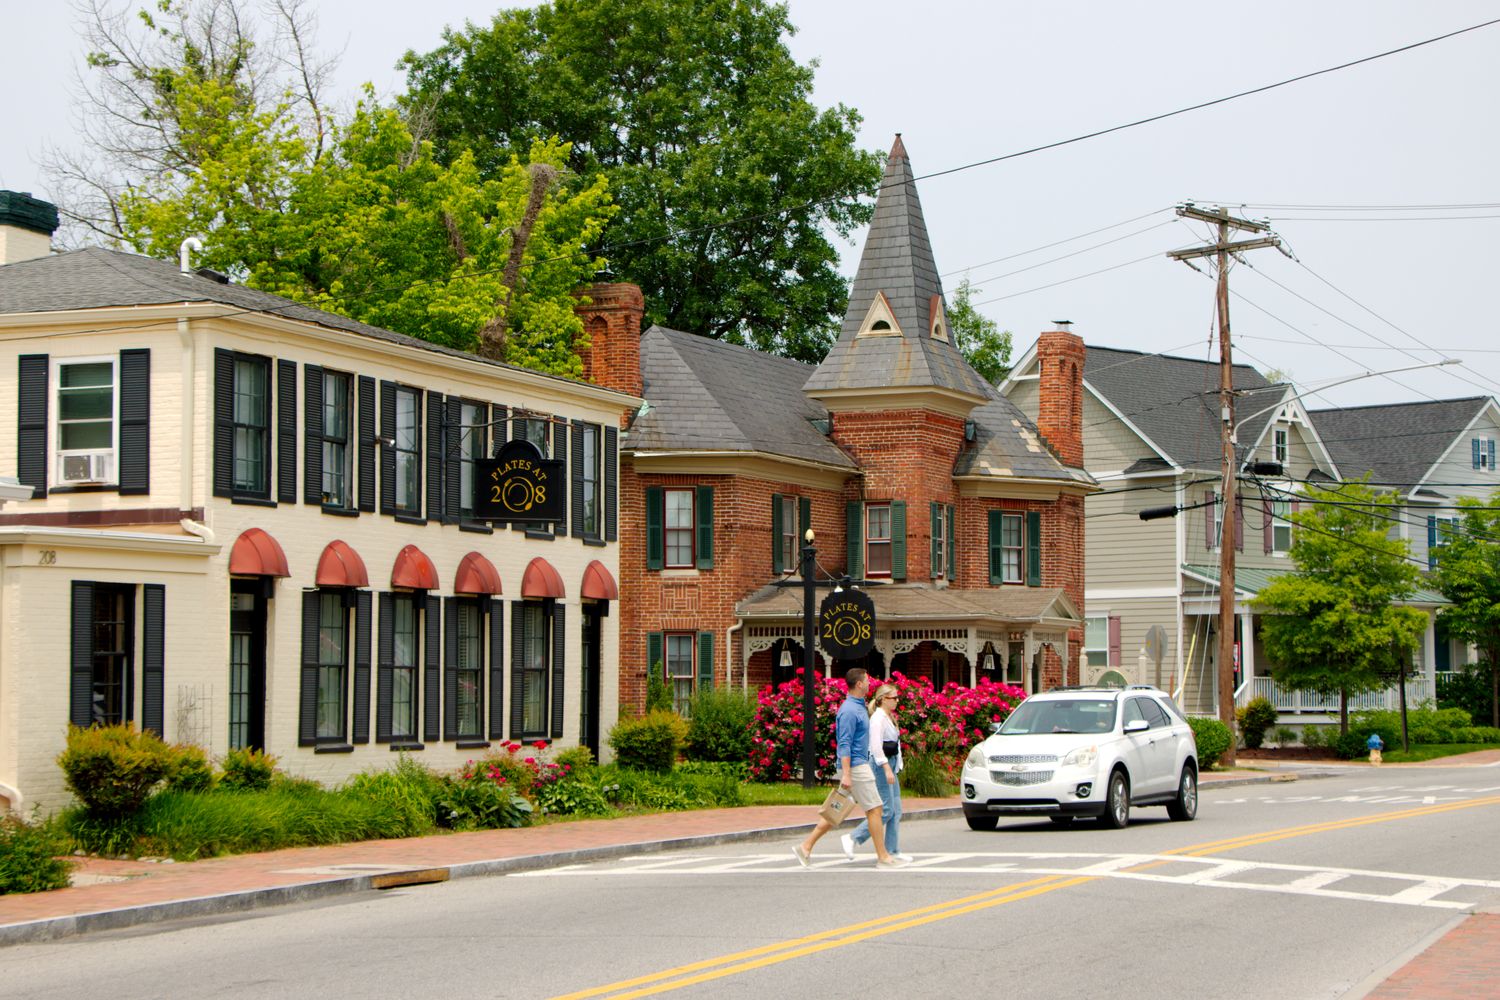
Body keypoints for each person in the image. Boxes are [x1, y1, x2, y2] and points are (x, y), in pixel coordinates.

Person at [792, 667, 906, 869]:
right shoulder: (849, 711)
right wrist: (846, 774)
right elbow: (844, 744)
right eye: (867, 680)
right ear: (859, 684)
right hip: (856, 767)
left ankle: (805, 847)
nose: (870, 684)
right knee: (876, 809)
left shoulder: (858, 706)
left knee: (837, 810)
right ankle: (883, 857)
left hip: (856, 767)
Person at [842, 683, 910, 862]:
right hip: (881, 765)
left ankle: (893, 850)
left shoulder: (889, 717)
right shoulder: (878, 718)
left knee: (896, 810)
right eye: (893, 698)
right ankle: (853, 837)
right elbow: (876, 747)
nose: (896, 701)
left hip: (891, 763)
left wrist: (896, 765)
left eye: (897, 697)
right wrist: (886, 768)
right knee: (886, 809)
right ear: (882, 700)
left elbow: (896, 746)